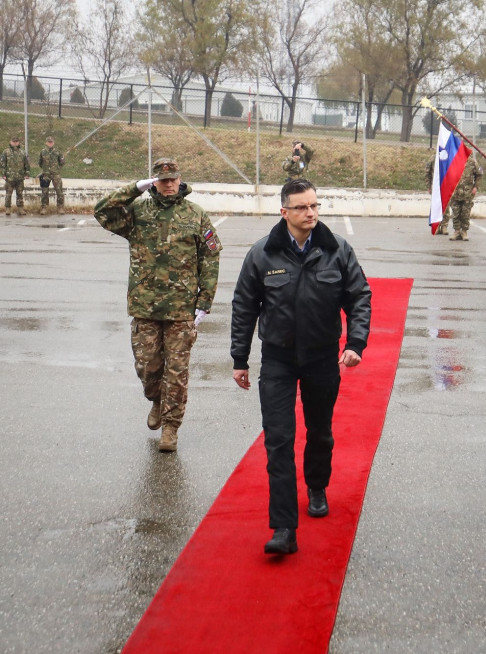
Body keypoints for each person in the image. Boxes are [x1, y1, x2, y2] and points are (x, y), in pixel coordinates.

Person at [230, 178, 372, 555]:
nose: (310, 213)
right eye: (302, 207)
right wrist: (239, 358)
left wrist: (355, 343)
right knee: (278, 441)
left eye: (314, 206)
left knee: (320, 432)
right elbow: (244, 306)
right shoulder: (263, 254)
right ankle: (283, 528)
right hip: (277, 358)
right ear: (284, 212)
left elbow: (359, 296)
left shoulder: (336, 250)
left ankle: (317, 486)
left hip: (322, 357)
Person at [93, 158, 221, 452]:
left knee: (177, 372)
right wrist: (134, 189)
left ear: (180, 179)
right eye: (163, 180)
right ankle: (156, 398)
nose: (169, 184)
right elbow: (102, 211)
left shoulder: (195, 215)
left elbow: (210, 258)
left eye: (173, 179)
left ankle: (171, 428)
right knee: (148, 368)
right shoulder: (137, 212)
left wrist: (205, 301)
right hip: (144, 306)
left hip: (181, 309)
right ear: (154, 181)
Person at [448, 154, 482, 241]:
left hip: (467, 192)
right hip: (455, 192)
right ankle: (456, 231)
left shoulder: (472, 162)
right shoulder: (452, 161)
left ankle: (464, 231)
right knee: (455, 213)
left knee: (465, 213)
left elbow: (479, 175)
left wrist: (475, 187)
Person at [1, 134, 30, 215]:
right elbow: (3, 163)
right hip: (9, 177)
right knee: (8, 194)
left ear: (18, 142)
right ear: (11, 142)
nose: (15, 143)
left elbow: (27, 164)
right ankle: (7, 209)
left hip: (20, 177)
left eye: (16, 142)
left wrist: (27, 173)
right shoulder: (6, 152)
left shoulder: (23, 152)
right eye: (13, 142)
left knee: (20, 194)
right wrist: (3, 174)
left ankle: (20, 209)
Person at [38, 135, 66, 215]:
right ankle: (44, 207)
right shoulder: (43, 152)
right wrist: (45, 170)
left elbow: (62, 162)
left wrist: (56, 168)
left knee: (59, 191)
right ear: (46, 143)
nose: (50, 143)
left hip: (55, 174)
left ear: (53, 143)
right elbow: (40, 163)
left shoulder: (57, 152)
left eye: (51, 142)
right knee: (44, 191)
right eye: (49, 142)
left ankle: (60, 207)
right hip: (46, 174)